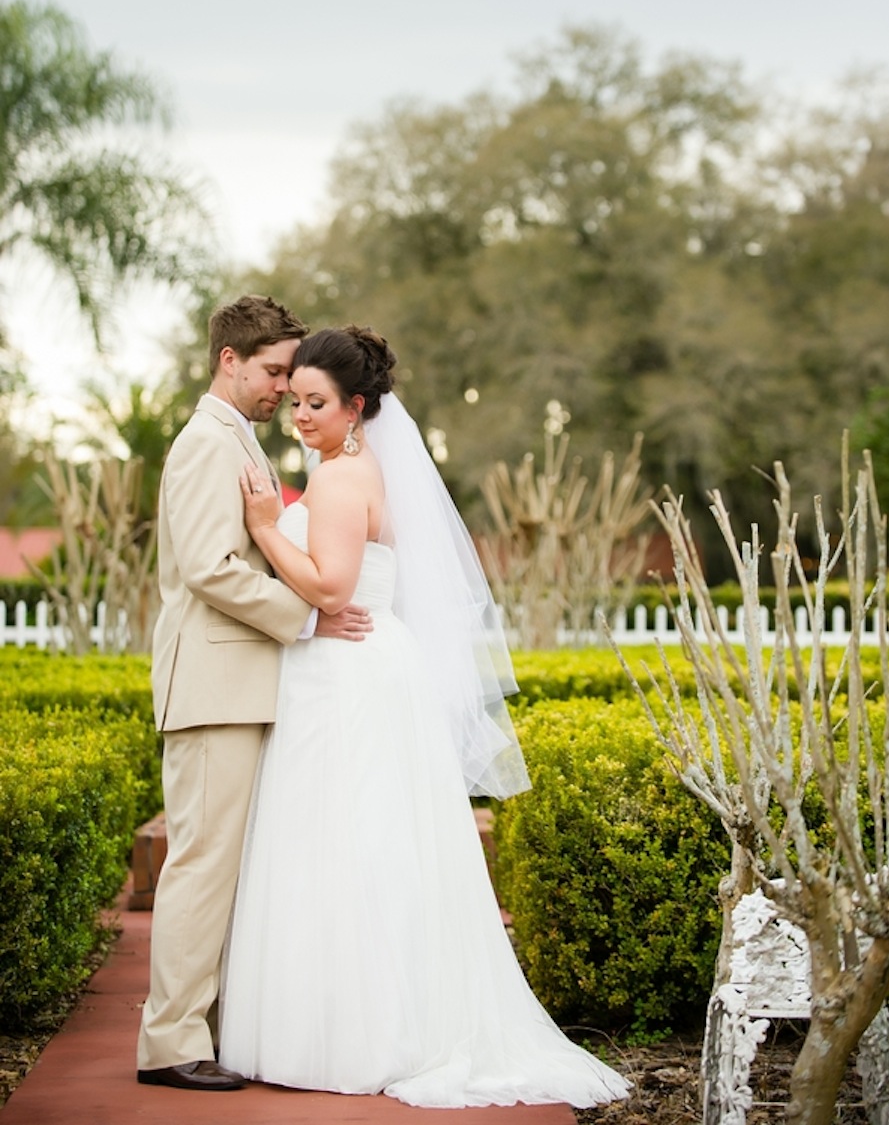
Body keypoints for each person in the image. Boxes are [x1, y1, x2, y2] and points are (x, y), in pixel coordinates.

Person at [218, 324, 630, 1108]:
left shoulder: (340, 481)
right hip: (363, 669)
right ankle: (374, 1016)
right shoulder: (358, 467)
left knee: (341, 842)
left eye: (316, 403)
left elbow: (334, 590)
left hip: (345, 676)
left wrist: (269, 526)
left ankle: (352, 1031)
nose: (300, 415)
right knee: (366, 841)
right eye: (297, 400)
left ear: (357, 406)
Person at [137, 296, 372, 1092]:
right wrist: (308, 615)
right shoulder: (208, 442)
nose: (283, 388)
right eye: (273, 371)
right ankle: (170, 1043)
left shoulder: (239, 439)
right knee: (201, 865)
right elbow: (209, 565)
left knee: (225, 866)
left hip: (240, 683)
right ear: (229, 361)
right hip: (213, 686)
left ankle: (208, 1025)